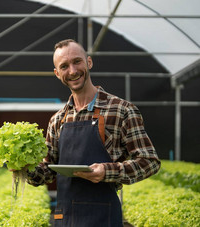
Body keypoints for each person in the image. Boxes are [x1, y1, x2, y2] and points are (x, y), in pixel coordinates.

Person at [26, 39, 161, 227]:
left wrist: (108, 171)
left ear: (89, 62)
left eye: (77, 62)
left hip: (103, 218)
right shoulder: (57, 120)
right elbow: (47, 171)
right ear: (57, 74)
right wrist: (25, 168)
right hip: (64, 218)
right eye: (64, 66)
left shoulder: (121, 110)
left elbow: (149, 162)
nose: (72, 71)